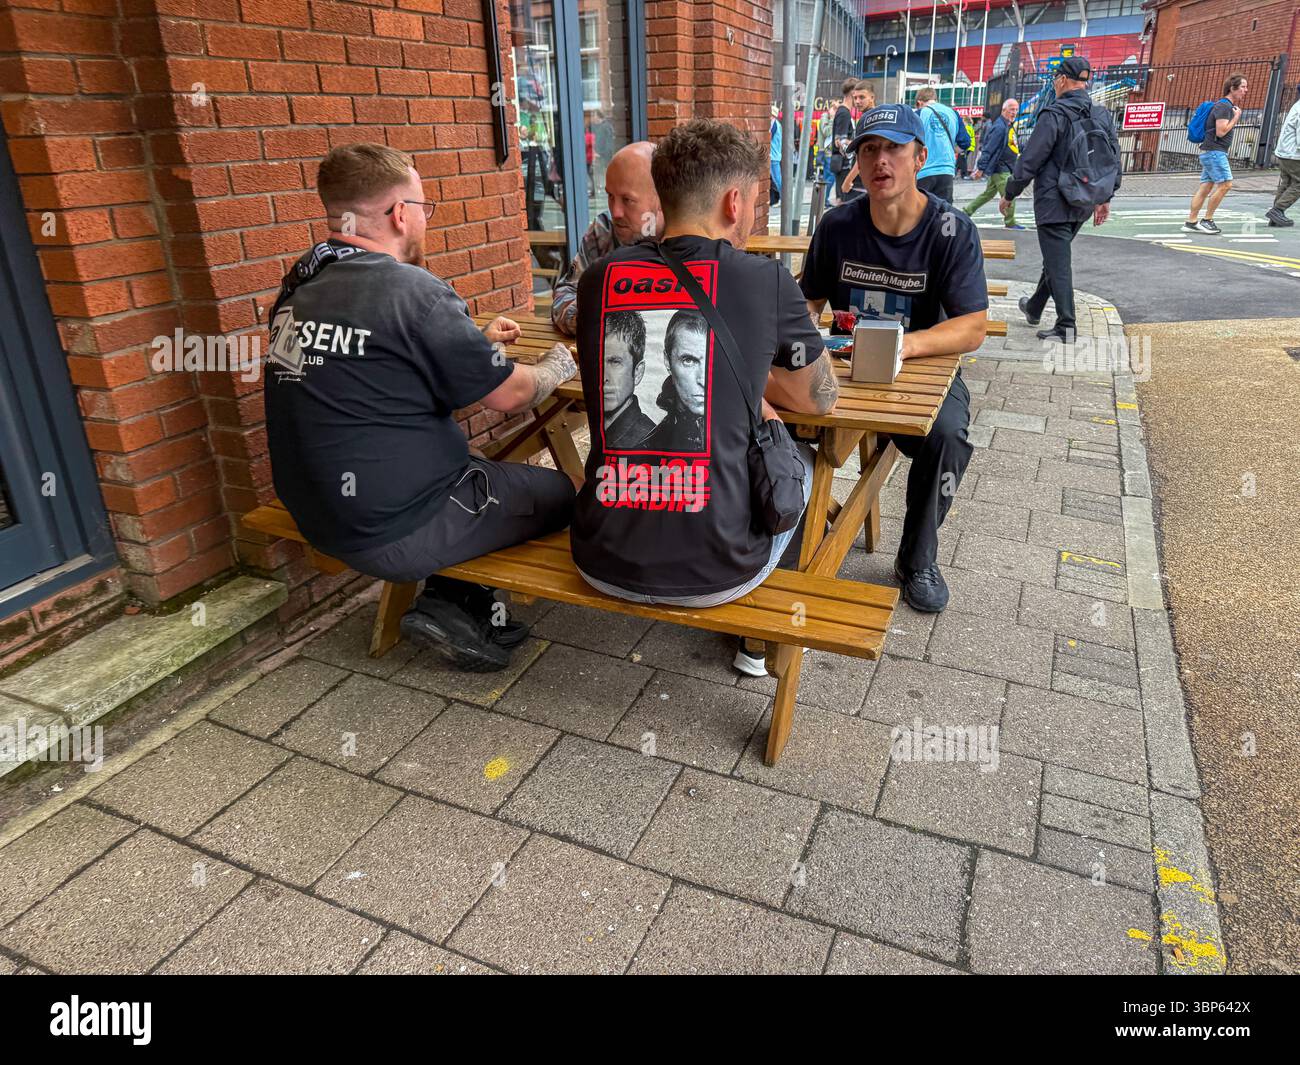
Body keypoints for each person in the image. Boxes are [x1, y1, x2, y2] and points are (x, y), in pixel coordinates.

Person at [264, 143, 579, 672]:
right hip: (395, 527)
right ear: (399, 213)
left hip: (319, 514)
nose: (424, 220)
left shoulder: (299, 289)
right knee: (557, 491)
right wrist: (556, 366)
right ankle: (452, 603)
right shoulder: (411, 290)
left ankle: (456, 600)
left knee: (487, 470)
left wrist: (472, 341)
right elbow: (509, 396)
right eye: (424, 207)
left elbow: (368, 368)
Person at [570, 118, 840, 676]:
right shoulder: (764, 280)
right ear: (734, 203)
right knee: (808, 465)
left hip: (598, 557)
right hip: (717, 574)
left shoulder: (599, 278)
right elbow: (817, 399)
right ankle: (761, 641)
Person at [802, 105, 989, 613]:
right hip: (843, 368)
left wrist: (904, 344)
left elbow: (973, 327)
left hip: (920, 369)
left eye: (893, 149)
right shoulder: (837, 225)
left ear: (920, 157)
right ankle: (792, 534)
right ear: (857, 165)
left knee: (948, 434)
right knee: (778, 413)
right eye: (868, 150)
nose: (880, 161)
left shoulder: (952, 229)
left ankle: (917, 557)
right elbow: (808, 303)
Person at [1003, 56, 1120, 343]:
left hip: (1054, 200)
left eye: (1055, 79)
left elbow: (1030, 159)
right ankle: (1034, 307)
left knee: (1058, 264)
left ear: (1062, 80)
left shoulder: (1053, 114)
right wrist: (1105, 196)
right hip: (1084, 199)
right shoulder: (1100, 114)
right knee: (1056, 259)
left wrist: (1010, 192)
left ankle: (1066, 325)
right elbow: (1113, 159)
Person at [551, 141, 663, 336]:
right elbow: (566, 292)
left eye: (627, 200)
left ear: (661, 199)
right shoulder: (603, 231)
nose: (615, 212)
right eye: (610, 196)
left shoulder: (685, 238)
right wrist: (595, 321)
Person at [1184, 73, 1248, 235]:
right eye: (1242, 87)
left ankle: (1191, 222)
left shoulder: (1223, 106)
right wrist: (1236, 117)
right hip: (1215, 152)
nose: (1245, 90)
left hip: (1210, 151)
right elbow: (1221, 131)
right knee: (1226, 184)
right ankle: (1207, 220)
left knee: (1206, 187)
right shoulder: (1224, 107)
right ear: (1232, 88)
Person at [599, 311, 659, 449]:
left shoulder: (651, 441)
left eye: (615, 362)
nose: (603, 377)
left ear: (637, 372)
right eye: (596, 362)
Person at [963, 98, 1024, 229]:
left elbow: (1011, 144)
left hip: (1003, 167)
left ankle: (966, 212)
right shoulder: (1000, 127)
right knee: (1009, 195)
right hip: (1001, 168)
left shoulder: (1007, 125)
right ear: (1004, 110)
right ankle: (1010, 222)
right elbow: (989, 148)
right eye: (1011, 109)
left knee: (988, 194)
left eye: (1016, 110)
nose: (1014, 112)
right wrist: (980, 168)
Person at [913, 86, 970, 204]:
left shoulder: (919, 114)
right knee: (944, 212)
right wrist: (952, 149)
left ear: (919, 102)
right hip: (946, 170)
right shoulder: (953, 113)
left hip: (924, 171)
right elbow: (965, 142)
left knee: (921, 212)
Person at [1266, 84, 1300, 227]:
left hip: (1284, 152)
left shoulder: (1296, 105)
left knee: (1286, 183)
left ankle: (1275, 216)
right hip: (1293, 154)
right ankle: (1277, 210)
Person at [839, 81, 879, 201]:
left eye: (862, 97)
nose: (857, 101)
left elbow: (865, 156)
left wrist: (848, 181)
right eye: (855, 97)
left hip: (861, 184)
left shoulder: (868, 119)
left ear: (872, 97)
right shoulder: (874, 116)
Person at [828, 78, 858, 204]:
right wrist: (855, 145)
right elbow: (840, 141)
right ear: (852, 93)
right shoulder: (844, 113)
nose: (858, 100)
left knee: (844, 199)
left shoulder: (843, 112)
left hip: (844, 163)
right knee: (843, 200)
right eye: (858, 94)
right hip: (844, 164)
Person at [769, 104, 783, 205]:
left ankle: (783, 198)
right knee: (775, 179)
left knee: (777, 179)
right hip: (774, 156)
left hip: (773, 156)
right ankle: (778, 198)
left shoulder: (774, 125)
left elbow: (769, 137)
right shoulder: (776, 124)